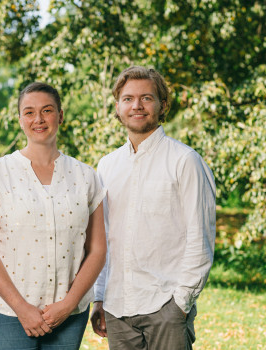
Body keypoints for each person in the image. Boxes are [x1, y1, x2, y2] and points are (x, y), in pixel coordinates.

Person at [0, 82, 107, 350]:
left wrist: (68, 305)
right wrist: (22, 308)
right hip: (7, 313)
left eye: (47, 110)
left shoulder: (85, 177)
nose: (39, 119)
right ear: (20, 119)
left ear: (61, 115)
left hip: (69, 314)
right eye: (29, 112)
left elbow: (97, 250)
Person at [90, 66, 216, 349]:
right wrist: (99, 296)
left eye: (147, 98)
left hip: (166, 307)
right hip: (117, 309)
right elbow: (104, 237)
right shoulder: (107, 166)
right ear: (118, 107)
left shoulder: (185, 161)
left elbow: (201, 238)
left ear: (163, 105)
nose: (137, 105)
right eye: (128, 99)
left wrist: (180, 304)